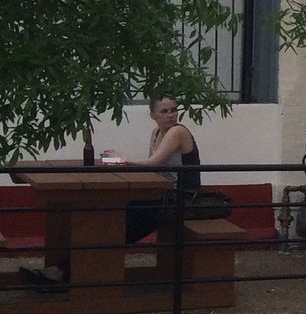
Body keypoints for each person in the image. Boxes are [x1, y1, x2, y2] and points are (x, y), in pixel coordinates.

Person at [25, 95, 200, 289]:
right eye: (164, 111)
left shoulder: (178, 132)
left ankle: (66, 273)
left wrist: (122, 159)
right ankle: (65, 270)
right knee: (112, 219)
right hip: (161, 195)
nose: (171, 115)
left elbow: (154, 162)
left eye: (173, 110)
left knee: (118, 227)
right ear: (153, 115)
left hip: (179, 199)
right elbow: (154, 168)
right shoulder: (156, 132)